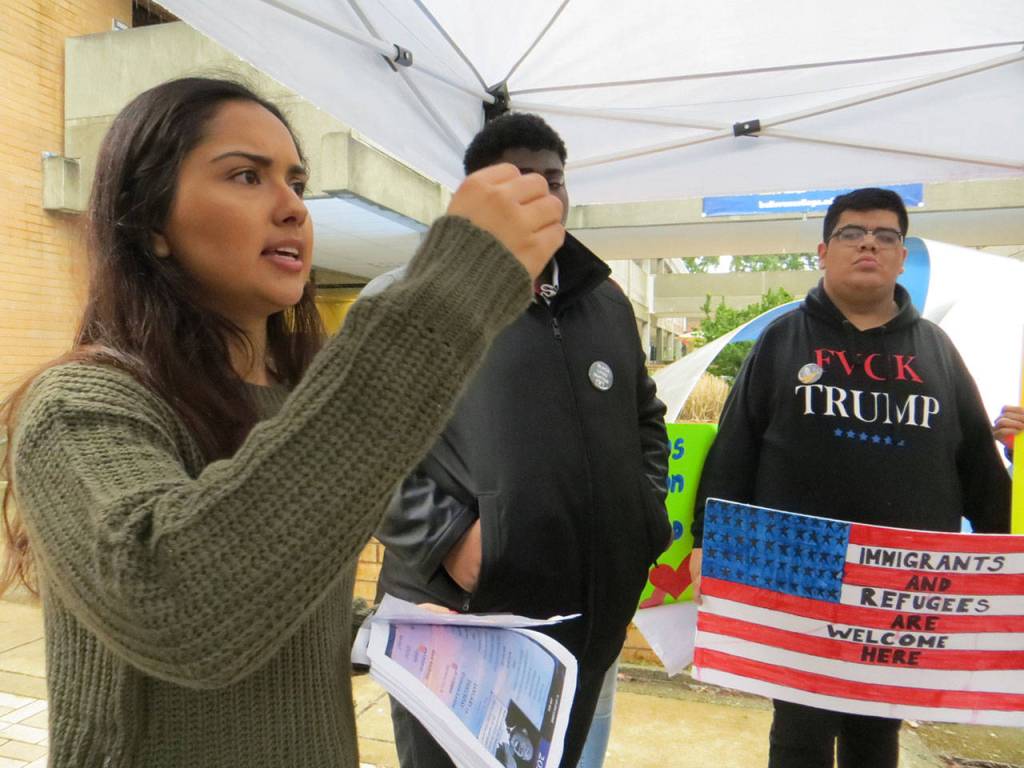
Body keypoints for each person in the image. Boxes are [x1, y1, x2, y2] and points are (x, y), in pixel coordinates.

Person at [0, 77, 565, 768]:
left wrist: (380, 634)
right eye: (246, 175)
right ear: (151, 225)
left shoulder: (299, 395)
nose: (293, 206)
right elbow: (178, 605)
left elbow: (267, 580)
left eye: (297, 182)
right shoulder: (78, 408)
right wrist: (450, 290)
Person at [371, 113, 670, 768]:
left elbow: (646, 418)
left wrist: (642, 517)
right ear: (477, 191)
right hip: (458, 624)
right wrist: (447, 538)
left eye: (553, 179)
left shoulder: (605, 302)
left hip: (582, 627)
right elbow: (360, 446)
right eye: (519, 178)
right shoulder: (411, 297)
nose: (541, 193)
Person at [689, 187, 1011, 768]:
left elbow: (981, 473)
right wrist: (704, 543)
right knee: (799, 732)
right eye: (852, 233)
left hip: (902, 585)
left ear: (901, 257)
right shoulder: (782, 339)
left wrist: (1008, 562)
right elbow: (734, 452)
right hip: (797, 576)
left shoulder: (937, 350)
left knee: (875, 733)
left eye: (886, 235)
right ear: (823, 251)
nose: (869, 244)